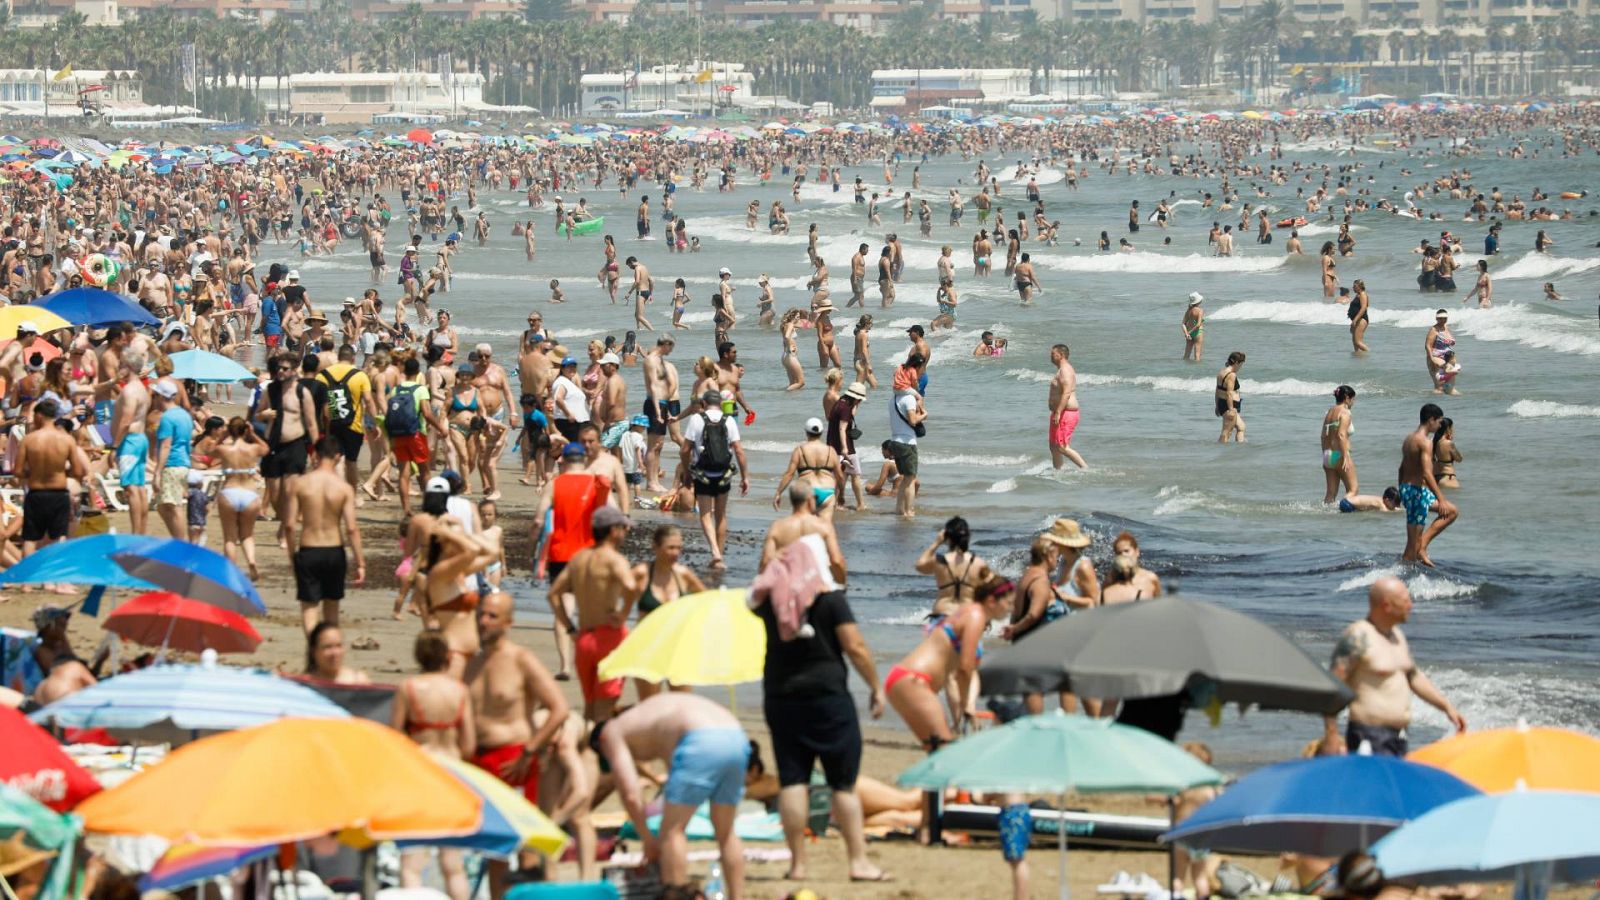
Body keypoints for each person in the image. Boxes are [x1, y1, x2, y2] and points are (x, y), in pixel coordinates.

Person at [754, 484, 888, 883]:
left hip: (780, 692)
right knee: (842, 784)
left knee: (793, 780)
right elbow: (856, 647)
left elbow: (765, 569)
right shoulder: (830, 599)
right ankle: (858, 862)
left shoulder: (767, 605)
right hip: (827, 695)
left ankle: (797, 865)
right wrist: (876, 687)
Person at [592, 693, 751, 900]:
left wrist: (647, 839)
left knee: (672, 832)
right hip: (736, 736)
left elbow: (630, 794)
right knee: (726, 833)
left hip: (699, 737)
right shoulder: (650, 716)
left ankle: (676, 895)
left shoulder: (611, 732)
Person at [465, 591, 570, 897]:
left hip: (515, 759)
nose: (483, 621)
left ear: (508, 622)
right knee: (492, 847)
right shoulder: (472, 664)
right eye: (481, 614)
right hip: (478, 763)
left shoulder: (520, 660)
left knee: (525, 844)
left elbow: (558, 708)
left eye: (492, 616)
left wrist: (531, 749)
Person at [1320, 576, 1466, 756]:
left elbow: (1413, 677)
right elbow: (1332, 687)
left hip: (1399, 736)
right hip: (1368, 735)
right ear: (1387, 605)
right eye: (1405, 600)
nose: (1410, 605)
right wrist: (1331, 735)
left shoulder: (1397, 637)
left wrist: (1446, 707)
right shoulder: (1358, 637)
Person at [392, 630, 474, 900]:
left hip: (421, 770)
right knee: (453, 865)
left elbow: (396, 736)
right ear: (446, 657)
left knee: (412, 861)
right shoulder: (459, 690)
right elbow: (469, 744)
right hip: (452, 772)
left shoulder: (410, 688)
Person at [549, 506, 642, 723]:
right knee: (604, 712)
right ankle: (597, 753)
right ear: (613, 531)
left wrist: (569, 627)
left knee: (589, 711)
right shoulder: (614, 559)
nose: (626, 533)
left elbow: (554, 594)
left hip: (583, 638)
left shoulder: (580, 558)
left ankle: (586, 752)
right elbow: (631, 587)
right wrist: (623, 613)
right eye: (624, 528)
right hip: (609, 637)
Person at [534, 443, 613, 680]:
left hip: (560, 555)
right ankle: (595, 661)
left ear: (564, 461)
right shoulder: (595, 483)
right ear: (584, 460)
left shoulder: (554, 484)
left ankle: (565, 666)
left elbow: (539, 519)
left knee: (563, 610)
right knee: (591, 609)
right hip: (588, 556)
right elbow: (609, 515)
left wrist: (535, 547)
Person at [287, 436, 366, 633]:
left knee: (309, 607)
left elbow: (289, 525)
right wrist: (360, 562)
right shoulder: (344, 488)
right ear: (338, 457)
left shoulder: (300, 484)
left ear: (315, 454)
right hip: (334, 550)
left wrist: (291, 556)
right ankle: (327, 651)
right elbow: (351, 529)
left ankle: (314, 654)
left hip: (308, 548)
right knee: (332, 607)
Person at [680, 387, 750, 569]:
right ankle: (720, 556)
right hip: (723, 474)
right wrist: (745, 477)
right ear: (721, 404)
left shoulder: (696, 419)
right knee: (721, 515)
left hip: (702, 474)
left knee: (705, 514)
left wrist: (687, 472)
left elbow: (685, 449)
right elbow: (739, 451)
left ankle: (715, 553)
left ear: (703, 404)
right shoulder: (729, 421)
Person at [18, 400, 87, 559]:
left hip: (36, 493)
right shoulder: (67, 440)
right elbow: (78, 470)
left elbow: (18, 471)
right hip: (59, 493)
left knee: (30, 539)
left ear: (40, 416)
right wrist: (59, 470)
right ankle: (55, 581)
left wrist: (35, 472)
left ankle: (28, 582)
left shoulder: (29, 440)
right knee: (59, 537)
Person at [1398, 403, 1457, 567]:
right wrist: (1441, 498)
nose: (1439, 426)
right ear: (1431, 420)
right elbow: (1426, 473)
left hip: (1411, 490)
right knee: (1411, 545)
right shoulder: (1425, 442)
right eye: (1438, 422)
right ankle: (1405, 573)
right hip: (1416, 493)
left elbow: (1401, 468)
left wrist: (1401, 491)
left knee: (1452, 512)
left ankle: (1422, 547)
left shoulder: (1409, 438)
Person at [913, 517, 990, 620]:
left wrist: (936, 543)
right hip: (967, 618)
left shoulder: (939, 561)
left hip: (943, 616)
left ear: (947, 537)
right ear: (968, 536)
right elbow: (992, 589)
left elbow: (919, 566)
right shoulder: (978, 563)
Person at [771, 418, 845, 522]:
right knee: (825, 528)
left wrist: (778, 493)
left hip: (807, 492)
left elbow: (789, 474)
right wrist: (841, 495)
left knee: (806, 528)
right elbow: (840, 476)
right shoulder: (830, 451)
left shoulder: (800, 450)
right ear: (821, 432)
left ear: (806, 432)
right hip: (827, 492)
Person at [111, 348, 152, 535]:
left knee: (131, 489)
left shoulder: (130, 391)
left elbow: (126, 420)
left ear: (128, 367)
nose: (118, 368)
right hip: (139, 439)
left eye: (121, 365)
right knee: (139, 487)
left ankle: (136, 532)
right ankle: (140, 531)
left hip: (130, 441)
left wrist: (115, 445)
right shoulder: (142, 389)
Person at [150, 382, 195, 540]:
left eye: (154, 396)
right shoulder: (184, 415)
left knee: (173, 506)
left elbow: (165, 446)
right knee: (164, 505)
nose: (153, 400)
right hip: (183, 462)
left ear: (161, 396)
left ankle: (180, 543)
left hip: (172, 463)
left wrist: (157, 472)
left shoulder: (167, 418)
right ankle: (178, 540)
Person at [886, 366, 926, 519]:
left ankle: (899, 509)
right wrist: (924, 415)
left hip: (895, 440)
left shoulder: (893, 399)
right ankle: (909, 511)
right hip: (907, 442)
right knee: (910, 478)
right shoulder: (909, 398)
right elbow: (913, 420)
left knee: (905, 478)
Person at [1047, 344, 1087, 469]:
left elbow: (1067, 392)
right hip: (1059, 413)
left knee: (1062, 446)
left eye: (1053, 354)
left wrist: (1058, 412)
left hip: (1065, 413)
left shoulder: (1066, 370)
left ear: (1061, 355)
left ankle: (1085, 468)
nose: (1051, 356)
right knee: (1054, 446)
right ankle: (1057, 472)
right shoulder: (1060, 370)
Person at [1322, 385, 1358, 505]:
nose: (1354, 402)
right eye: (1353, 399)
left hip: (1328, 455)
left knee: (1331, 493)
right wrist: (1346, 456)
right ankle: (1345, 511)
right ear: (1347, 398)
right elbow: (1341, 435)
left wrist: (1325, 455)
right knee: (1353, 490)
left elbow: (1323, 436)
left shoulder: (1329, 412)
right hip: (1340, 455)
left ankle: (1327, 516)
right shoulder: (1345, 413)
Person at [303, 622, 371, 684]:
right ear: (313, 651)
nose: (334, 653)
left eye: (339, 646)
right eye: (327, 647)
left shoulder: (358, 681)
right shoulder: (304, 684)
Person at [1110, 531, 1163, 598]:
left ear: (1137, 552)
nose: (1123, 555)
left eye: (1126, 551)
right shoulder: (1110, 579)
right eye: (1119, 553)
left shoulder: (1151, 578)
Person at [1215, 351, 1246, 443]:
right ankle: (1219, 451)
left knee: (1241, 427)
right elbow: (1229, 393)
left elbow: (1217, 391)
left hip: (1222, 403)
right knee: (1226, 433)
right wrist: (1231, 409)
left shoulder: (1221, 372)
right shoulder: (1231, 375)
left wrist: (1217, 406)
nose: (1241, 367)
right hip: (1229, 406)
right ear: (1236, 363)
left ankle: (1239, 449)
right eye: (1241, 364)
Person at [1433, 417, 1463, 490]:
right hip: (1448, 477)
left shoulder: (1433, 442)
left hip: (1435, 476)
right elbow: (1459, 459)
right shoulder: (1449, 443)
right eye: (1452, 427)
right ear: (1448, 428)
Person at [1181, 293, 1205, 362]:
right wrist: (1189, 332)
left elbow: (1183, 324)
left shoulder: (1188, 311)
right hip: (1198, 333)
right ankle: (1196, 372)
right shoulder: (1200, 310)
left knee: (1186, 355)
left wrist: (1186, 333)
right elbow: (1198, 324)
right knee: (1197, 356)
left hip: (1189, 333)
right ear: (1199, 301)